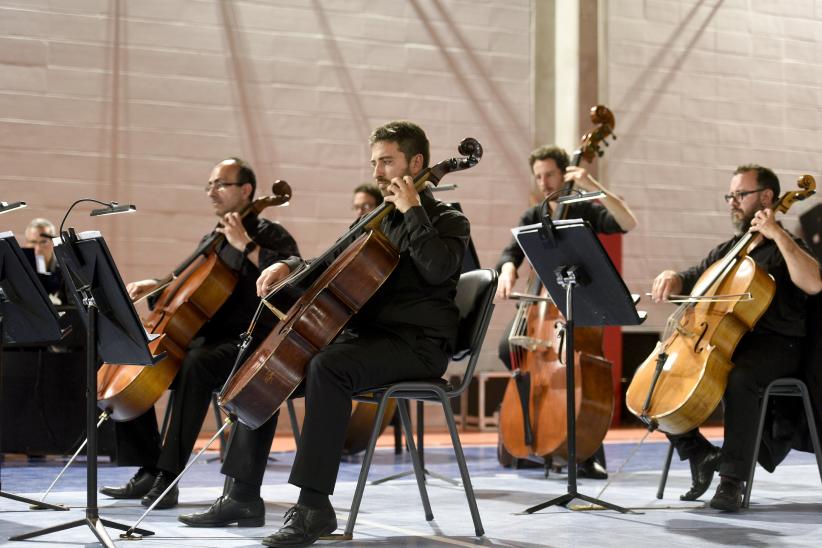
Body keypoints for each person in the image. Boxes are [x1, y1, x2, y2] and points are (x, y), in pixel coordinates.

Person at [178, 121, 470, 548]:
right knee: (271, 365)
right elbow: (330, 261)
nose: (377, 172)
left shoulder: (448, 220)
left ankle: (314, 507)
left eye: (387, 161)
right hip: (368, 340)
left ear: (416, 163)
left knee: (327, 366)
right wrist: (288, 265)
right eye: (374, 162)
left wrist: (414, 211)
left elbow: (439, 269)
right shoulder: (377, 218)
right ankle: (241, 496)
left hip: (417, 346)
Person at [99, 157, 300, 510]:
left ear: (246, 190)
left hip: (249, 343)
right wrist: (157, 285)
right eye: (210, 185)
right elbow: (188, 286)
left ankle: (168, 476)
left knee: (196, 363)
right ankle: (147, 467)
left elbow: (291, 287)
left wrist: (246, 246)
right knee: (136, 352)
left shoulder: (270, 235)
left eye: (220, 184)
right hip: (205, 338)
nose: (212, 192)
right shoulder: (213, 237)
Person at [651, 164, 822, 511]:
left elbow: (814, 283)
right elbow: (693, 276)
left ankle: (731, 480)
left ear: (766, 197)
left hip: (779, 345)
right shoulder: (729, 250)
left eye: (740, 194)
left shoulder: (788, 246)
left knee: (740, 376)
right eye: (730, 195)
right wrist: (673, 276)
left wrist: (777, 233)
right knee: (659, 374)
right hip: (730, 343)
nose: (732, 202)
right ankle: (698, 453)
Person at [494, 145, 637, 478]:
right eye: (538, 176)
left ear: (564, 174)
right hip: (541, 308)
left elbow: (626, 222)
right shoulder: (534, 215)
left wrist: (593, 186)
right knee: (507, 348)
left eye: (550, 175)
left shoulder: (583, 208)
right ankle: (537, 429)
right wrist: (507, 270)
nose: (544, 183)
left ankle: (586, 451)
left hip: (577, 301)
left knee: (574, 369)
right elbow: (510, 254)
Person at [23, 218, 64, 301]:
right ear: (26, 243)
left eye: (43, 242)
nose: (38, 248)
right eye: (33, 242)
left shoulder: (65, 270)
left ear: (53, 242)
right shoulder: (21, 270)